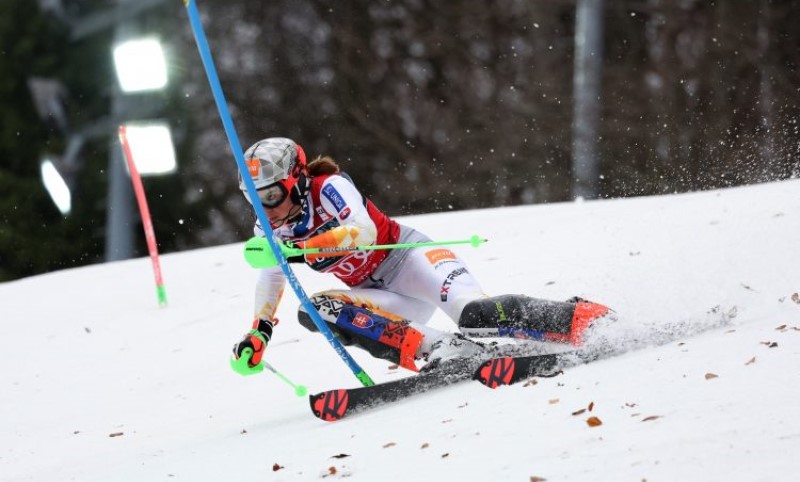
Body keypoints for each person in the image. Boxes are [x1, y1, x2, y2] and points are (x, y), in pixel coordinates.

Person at [232, 137, 610, 373]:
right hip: (380, 296)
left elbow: (363, 232)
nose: (265, 209)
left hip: (412, 261)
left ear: (296, 180)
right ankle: (443, 349)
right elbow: (272, 273)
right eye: (254, 199)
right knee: (315, 310)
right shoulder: (270, 227)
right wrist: (260, 330)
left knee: (475, 315)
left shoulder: (327, 187)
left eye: (271, 195)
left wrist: (300, 249)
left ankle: (581, 318)